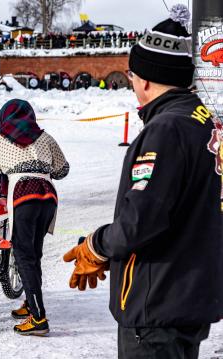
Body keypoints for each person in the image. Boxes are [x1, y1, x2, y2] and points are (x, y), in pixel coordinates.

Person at [63, 5, 223, 358]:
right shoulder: (203, 122)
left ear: (146, 78)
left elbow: (141, 221)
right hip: (186, 297)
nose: (132, 83)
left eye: (132, 75)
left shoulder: (166, 129)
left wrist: (97, 245)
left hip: (157, 308)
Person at [0, 99, 70, 336]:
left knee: (23, 255)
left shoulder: (2, 140)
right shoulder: (45, 138)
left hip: (23, 197)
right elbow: (62, 170)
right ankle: (31, 303)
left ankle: (38, 319)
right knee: (33, 254)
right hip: (48, 197)